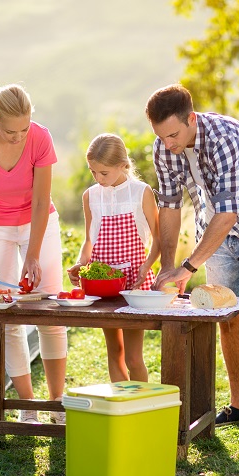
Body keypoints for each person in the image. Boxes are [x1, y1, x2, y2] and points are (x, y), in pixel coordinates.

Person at [145, 83, 239, 440]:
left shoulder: (225, 139)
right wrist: (167, 265)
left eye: (174, 135)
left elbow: (228, 215)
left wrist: (188, 267)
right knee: (226, 318)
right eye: (161, 137)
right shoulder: (165, 148)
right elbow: (169, 207)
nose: (168, 144)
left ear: (191, 119)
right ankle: (238, 405)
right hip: (213, 236)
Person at [0, 84, 67, 424]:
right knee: (6, 312)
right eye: (10, 131)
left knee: (50, 307)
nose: (19, 137)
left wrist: (32, 254)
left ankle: (57, 403)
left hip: (38, 222)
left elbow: (39, 200)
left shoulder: (40, 137)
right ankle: (28, 405)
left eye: (24, 128)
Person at [67, 133, 160, 382]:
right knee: (114, 352)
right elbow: (89, 240)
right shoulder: (90, 196)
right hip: (103, 286)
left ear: (122, 165)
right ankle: (122, 410)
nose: (98, 178)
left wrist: (147, 266)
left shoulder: (141, 192)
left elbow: (158, 240)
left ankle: (141, 407)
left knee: (133, 357)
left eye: (103, 173)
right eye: (93, 172)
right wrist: (80, 264)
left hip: (134, 285)